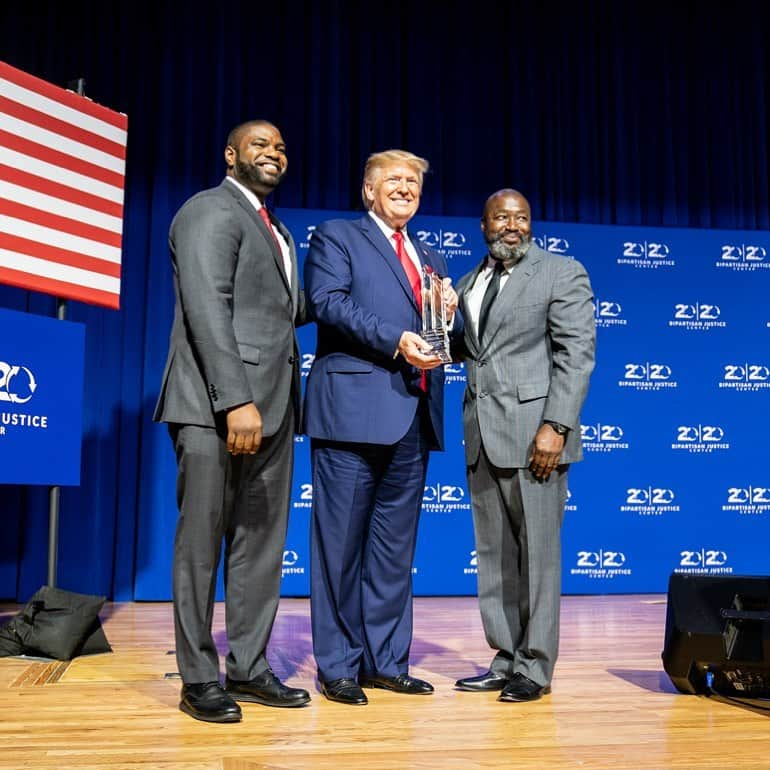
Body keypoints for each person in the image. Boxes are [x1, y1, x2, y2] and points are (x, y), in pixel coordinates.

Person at [153, 120, 310, 723]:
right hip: (216, 408)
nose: (273, 152)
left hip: (273, 407)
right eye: (260, 145)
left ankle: (248, 667)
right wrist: (232, 399)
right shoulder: (210, 210)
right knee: (201, 545)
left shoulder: (277, 230)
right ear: (230, 154)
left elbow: (286, 312)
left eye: (281, 145)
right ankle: (199, 677)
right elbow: (206, 306)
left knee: (260, 545)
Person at [303, 150, 459, 705]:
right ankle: (339, 666)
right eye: (392, 179)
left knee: (394, 553)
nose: (403, 188)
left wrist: (448, 311)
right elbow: (327, 303)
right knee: (339, 550)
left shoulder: (429, 256)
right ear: (368, 191)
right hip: (350, 414)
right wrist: (397, 339)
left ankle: (386, 662)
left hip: (413, 416)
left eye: (412, 181)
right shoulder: (337, 236)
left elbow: (442, 336)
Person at [453, 189, 595, 702]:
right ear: (484, 223)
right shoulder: (469, 282)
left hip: (537, 437)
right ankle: (504, 656)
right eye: (501, 217)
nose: (512, 226)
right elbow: (465, 349)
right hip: (483, 435)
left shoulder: (560, 272)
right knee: (495, 557)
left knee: (538, 557)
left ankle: (534, 667)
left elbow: (575, 355)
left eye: (522, 217)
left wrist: (556, 425)